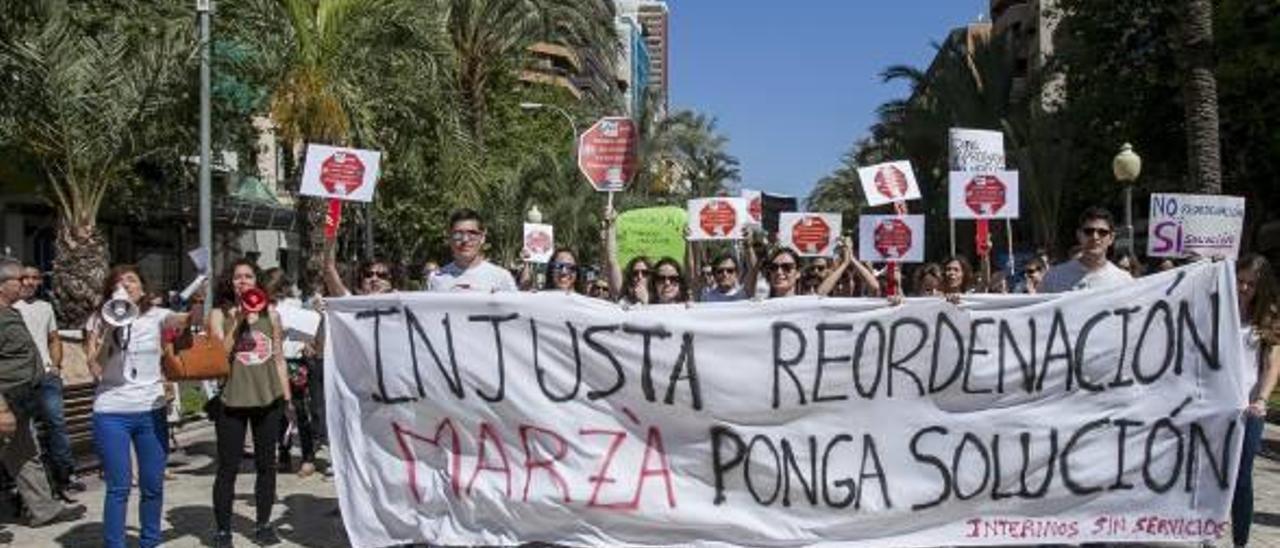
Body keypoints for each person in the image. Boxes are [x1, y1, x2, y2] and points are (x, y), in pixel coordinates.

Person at [86, 265, 191, 548]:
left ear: (142, 289)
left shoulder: (157, 316)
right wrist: (112, 325)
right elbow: (96, 369)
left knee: (152, 485)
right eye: (119, 282)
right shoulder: (99, 320)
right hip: (111, 412)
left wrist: (195, 302)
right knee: (119, 487)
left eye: (131, 280)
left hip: (149, 409)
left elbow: (180, 321)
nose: (126, 285)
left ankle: (150, 541)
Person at [207, 259, 292, 546]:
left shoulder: (272, 315)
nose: (242, 281)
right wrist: (241, 319)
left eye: (248, 276)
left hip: (268, 398)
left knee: (266, 465)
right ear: (229, 282)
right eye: (236, 277)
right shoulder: (219, 314)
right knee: (227, 467)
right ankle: (222, 529)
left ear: (257, 281)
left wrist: (287, 399)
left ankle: (264, 524)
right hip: (232, 400)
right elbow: (220, 354)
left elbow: (278, 358)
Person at [0, 257, 84, 528]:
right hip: (5, 401)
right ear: (3, 285)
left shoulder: (10, 312)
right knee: (22, 451)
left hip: (21, 399)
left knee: (25, 453)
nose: (25, 284)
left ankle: (43, 509)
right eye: (19, 280)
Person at [1231, 253, 1280, 548]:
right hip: (1216, 407)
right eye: (1240, 281)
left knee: (1242, 476)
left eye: (1251, 284)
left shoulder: (1269, 317)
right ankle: (1205, 530)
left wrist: (1261, 399)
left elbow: (1272, 364)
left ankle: (1240, 541)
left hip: (1249, 409)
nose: (1244, 289)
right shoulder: (1218, 310)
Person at [264, 269, 317, 479]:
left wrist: (305, 342)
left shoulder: (294, 306)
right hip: (271, 363)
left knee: (299, 410)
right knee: (277, 413)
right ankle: (283, 453)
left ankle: (308, 457)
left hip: (293, 362)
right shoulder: (262, 307)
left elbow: (308, 330)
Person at [1040, 207, 1133, 293]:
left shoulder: (1124, 282)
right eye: (1089, 231)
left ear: (1111, 238)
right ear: (1079, 235)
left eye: (1102, 232)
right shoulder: (1054, 277)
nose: (1095, 237)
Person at [427, 209, 517, 292]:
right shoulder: (436, 279)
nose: (465, 240)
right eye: (458, 234)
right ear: (450, 238)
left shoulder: (501, 278)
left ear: (482, 238)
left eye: (472, 233)